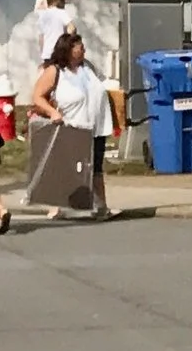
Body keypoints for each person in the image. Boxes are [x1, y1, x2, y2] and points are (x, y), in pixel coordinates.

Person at [23, 28, 120, 221]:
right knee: (64, 168)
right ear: (68, 50)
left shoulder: (88, 67)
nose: (83, 50)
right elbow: (37, 96)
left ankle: (100, 207)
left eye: (82, 47)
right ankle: (56, 206)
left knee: (96, 167)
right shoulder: (55, 71)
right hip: (71, 127)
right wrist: (52, 112)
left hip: (95, 126)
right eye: (79, 47)